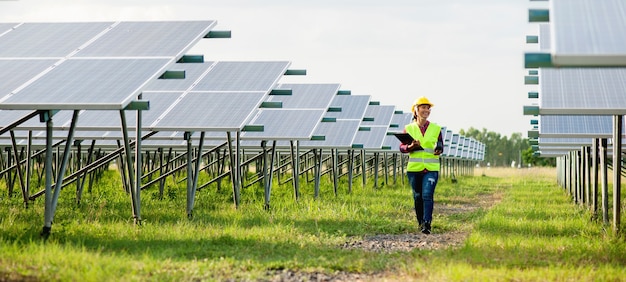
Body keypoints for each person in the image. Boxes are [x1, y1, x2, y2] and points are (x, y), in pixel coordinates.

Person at [399, 96, 443, 234]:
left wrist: (439, 149)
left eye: (428, 108)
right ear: (416, 110)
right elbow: (402, 147)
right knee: (417, 196)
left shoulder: (436, 128)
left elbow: (440, 144)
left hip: (431, 168)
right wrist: (411, 146)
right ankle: (420, 223)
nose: (426, 110)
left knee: (427, 195)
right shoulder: (408, 128)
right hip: (414, 169)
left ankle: (427, 223)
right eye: (423, 107)